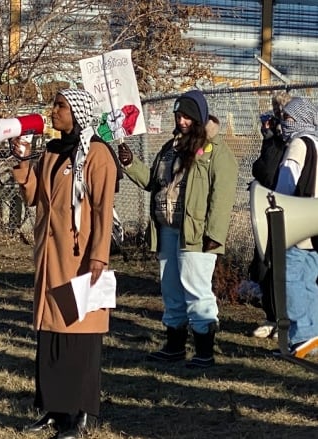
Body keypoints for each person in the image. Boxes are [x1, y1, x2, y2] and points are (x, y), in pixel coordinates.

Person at [12, 89, 117, 438]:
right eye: (55, 105)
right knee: (50, 334)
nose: (53, 111)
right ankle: (52, 409)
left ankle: (75, 415)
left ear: (79, 113)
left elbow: (102, 208)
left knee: (76, 334)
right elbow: (33, 196)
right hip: (50, 255)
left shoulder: (97, 155)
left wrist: (99, 254)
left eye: (61, 106)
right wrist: (24, 162)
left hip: (79, 256)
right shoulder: (52, 153)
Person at [118, 90, 238, 369]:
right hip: (168, 231)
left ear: (199, 118)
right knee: (171, 290)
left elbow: (222, 197)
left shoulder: (217, 153)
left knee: (197, 290)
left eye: (187, 116)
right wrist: (130, 164)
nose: (182, 121)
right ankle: (174, 346)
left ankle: (204, 351)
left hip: (197, 235)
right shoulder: (170, 148)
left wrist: (214, 234)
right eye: (178, 116)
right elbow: (153, 182)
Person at [272, 96, 318, 358]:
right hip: (316, 227)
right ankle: (314, 334)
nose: (284, 123)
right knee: (310, 279)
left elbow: (286, 184)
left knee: (290, 277)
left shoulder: (299, 145)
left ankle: (301, 335)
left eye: (288, 118)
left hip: (298, 222)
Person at [248, 91, 291, 339]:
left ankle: (284, 318)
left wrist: (271, 140)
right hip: (266, 209)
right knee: (265, 265)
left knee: (285, 267)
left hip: (287, 210)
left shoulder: (293, 143)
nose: (277, 120)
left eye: (281, 114)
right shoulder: (274, 141)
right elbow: (261, 169)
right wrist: (268, 138)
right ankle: (271, 316)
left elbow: (265, 172)